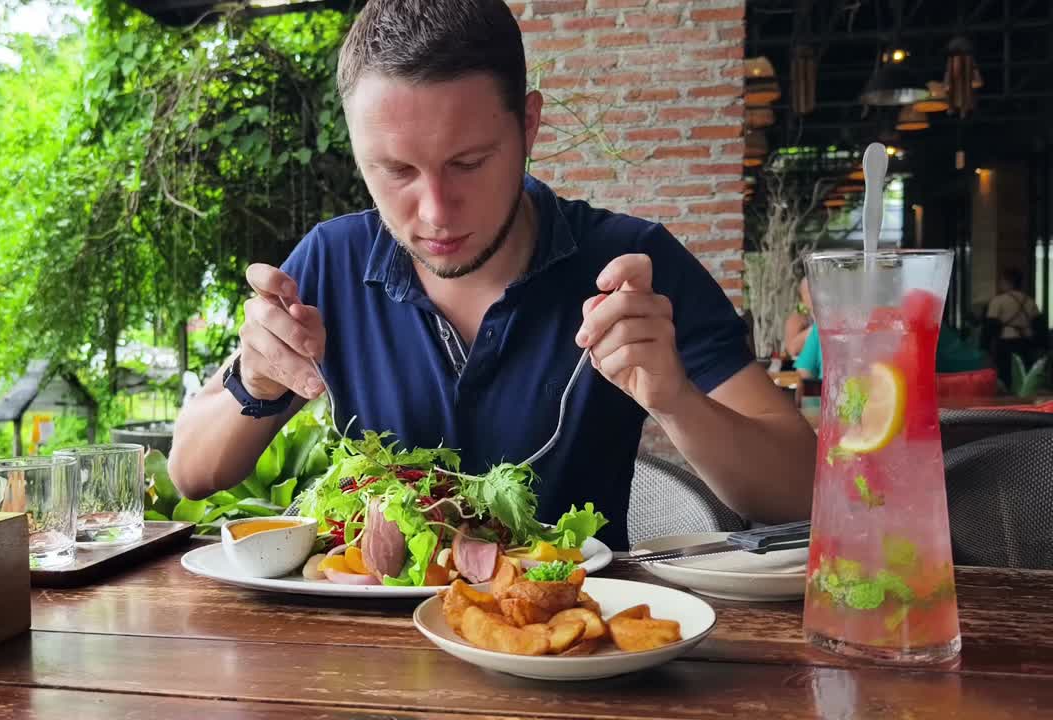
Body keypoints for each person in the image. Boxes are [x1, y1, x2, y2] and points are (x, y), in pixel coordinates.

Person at [167, 0, 816, 549]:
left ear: (528, 125)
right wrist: (254, 381)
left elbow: (804, 491)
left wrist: (676, 399)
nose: (435, 213)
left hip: (565, 655)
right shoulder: (330, 261)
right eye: (395, 171)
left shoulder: (632, 266)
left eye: (470, 162)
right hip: (370, 662)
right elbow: (190, 473)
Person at [794, 322, 987, 380]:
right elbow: (979, 364)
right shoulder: (921, 323)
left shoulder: (825, 325)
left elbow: (803, 375)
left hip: (843, 427)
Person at [982, 267, 1044, 388]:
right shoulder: (1030, 301)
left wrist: (986, 348)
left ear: (1006, 281)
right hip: (1026, 342)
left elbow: (990, 327)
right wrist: (1041, 346)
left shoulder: (998, 301)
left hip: (1006, 342)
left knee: (1005, 374)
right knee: (1024, 375)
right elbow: (1039, 325)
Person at [783, 276, 813, 360]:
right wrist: (814, 329)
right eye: (809, 293)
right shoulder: (798, 317)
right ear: (802, 298)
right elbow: (792, 350)